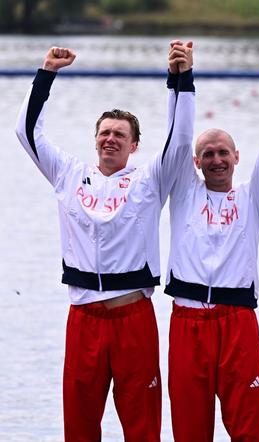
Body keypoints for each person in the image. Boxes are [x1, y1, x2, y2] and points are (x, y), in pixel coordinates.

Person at [14, 43, 195, 441]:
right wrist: (46, 74)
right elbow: (26, 132)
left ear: (134, 146)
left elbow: (180, 140)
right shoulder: (68, 173)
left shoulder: (150, 180)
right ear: (95, 139)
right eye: (105, 133)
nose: (110, 139)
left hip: (133, 318)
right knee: (79, 425)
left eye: (120, 135)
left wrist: (180, 79)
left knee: (142, 425)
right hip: (84, 320)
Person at [164, 49, 259, 441]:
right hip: (188, 324)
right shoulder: (183, 191)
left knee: (249, 427)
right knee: (190, 429)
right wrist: (181, 79)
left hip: (238, 321)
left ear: (237, 157)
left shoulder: (253, 198)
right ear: (196, 162)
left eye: (223, 153)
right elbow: (178, 135)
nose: (216, 159)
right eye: (208, 154)